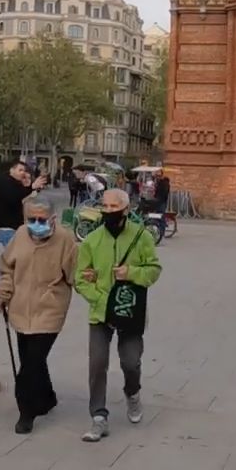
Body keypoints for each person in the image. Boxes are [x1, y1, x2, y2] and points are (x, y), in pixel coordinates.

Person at [75, 189, 162, 442]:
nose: (109, 211)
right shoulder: (91, 240)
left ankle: (132, 393)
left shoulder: (142, 237)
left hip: (130, 310)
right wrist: (103, 299)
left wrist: (132, 273)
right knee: (97, 364)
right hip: (100, 313)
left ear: (126, 210)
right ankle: (98, 416)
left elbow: (154, 269)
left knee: (131, 362)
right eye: (105, 206)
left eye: (115, 206)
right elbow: (80, 278)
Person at [0, 196, 78, 434]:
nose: (36, 224)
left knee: (31, 364)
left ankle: (26, 410)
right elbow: (7, 269)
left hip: (50, 310)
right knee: (31, 359)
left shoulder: (65, 240)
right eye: (31, 219)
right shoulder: (20, 235)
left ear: (53, 219)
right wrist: (3, 294)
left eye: (41, 219)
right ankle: (48, 397)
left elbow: (76, 276)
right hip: (20, 308)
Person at [0, 159, 41, 247]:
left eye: (24, 171)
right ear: (12, 170)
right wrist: (31, 188)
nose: (22, 173)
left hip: (16, 228)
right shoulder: (5, 181)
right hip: (6, 228)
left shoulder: (16, 185)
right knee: (14, 255)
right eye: (20, 170)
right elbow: (13, 197)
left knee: (15, 256)